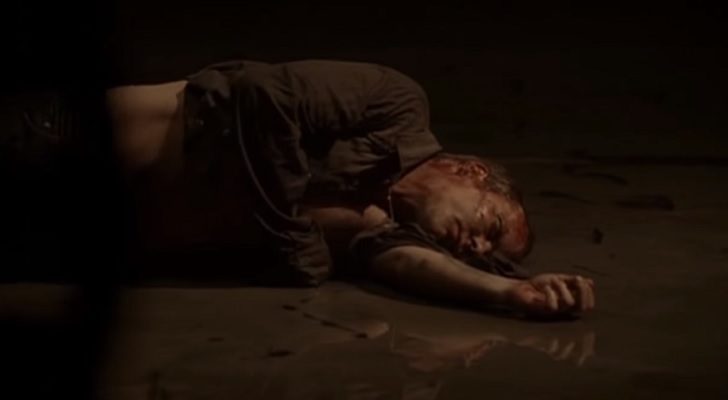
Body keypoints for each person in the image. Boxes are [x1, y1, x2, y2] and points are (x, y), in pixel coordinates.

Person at [6, 59, 594, 318]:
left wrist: (509, 292)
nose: (475, 246)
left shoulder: (377, 224)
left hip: (66, 240)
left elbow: (409, 263)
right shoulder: (396, 106)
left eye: (485, 254)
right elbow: (265, 97)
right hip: (53, 144)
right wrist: (297, 243)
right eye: (491, 225)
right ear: (472, 173)